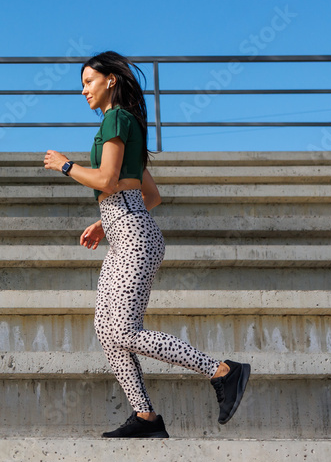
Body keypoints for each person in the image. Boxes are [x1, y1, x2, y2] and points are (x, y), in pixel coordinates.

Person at [43, 50, 250, 439]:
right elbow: (149, 194)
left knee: (123, 330)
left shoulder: (116, 119)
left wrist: (66, 165)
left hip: (135, 237)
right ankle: (145, 417)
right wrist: (104, 223)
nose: (83, 90)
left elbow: (106, 180)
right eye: (82, 84)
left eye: (89, 81)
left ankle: (222, 371)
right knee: (107, 329)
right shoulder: (122, 123)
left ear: (111, 81)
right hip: (126, 230)